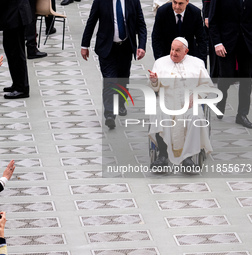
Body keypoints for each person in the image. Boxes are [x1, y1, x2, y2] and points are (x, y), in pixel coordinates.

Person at [81, 0, 147, 129]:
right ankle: (110, 114)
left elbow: (141, 24)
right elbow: (91, 21)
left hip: (126, 47)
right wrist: (85, 45)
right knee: (110, 80)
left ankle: (121, 103)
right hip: (107, 48)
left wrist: (142, 46)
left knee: (123, 79)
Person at [148, 37, 213, 168]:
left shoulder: (197, 63)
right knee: (160, 116)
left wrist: (196, 95)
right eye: (172, 49)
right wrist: (154, 81)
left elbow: (207, 85)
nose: (173, 53)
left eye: (177, 50)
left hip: (189, 103)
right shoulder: (160, 63)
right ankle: (163, 156)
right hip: (167, 102)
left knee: (196, 117)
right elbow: (153, 87)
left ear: (186, 51)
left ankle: (188, 158)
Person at [209, 0, 252, 128]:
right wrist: (217, 43)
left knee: (246, 79)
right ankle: (221, 101)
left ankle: (242, 114)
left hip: (247, 42)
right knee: (226, 75)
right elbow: (213, 20)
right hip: (226, 42)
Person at [0, 0, 32, 99]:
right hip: (15, 14)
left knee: (16, 54)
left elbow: (0, 1)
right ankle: (18, 84)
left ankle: (22, 88)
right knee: (12, 52)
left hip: (15, 16)